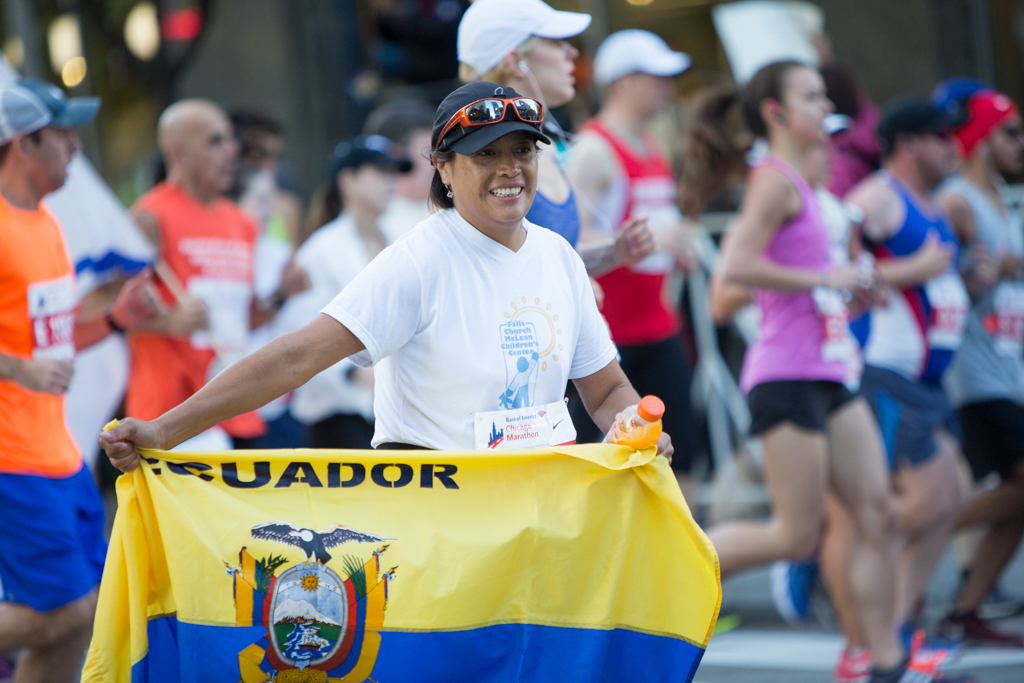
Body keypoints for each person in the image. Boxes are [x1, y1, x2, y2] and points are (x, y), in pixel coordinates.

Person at [100, 81, 672, 467]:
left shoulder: (558, 256)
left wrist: (635, 430)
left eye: (523, 151)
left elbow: (605, 390)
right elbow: (297, 357)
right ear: (443, 169)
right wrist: (164, 431)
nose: (510, 170)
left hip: (544, 509)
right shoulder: (419, 259)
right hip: (443, 527)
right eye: (485, 155)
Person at [711, 61, 972, 683]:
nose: (825, 106)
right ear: (776, 113)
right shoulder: (773, 182)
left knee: (876, 513)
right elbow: (735, 268)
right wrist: (825, 278)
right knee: (795, 536)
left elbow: (820, 281)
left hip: (834, 371)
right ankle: (664, 558)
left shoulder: (812, 189)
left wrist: (852, 289)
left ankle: (886, 663)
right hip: (786, 376)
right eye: (811, 96)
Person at [0, 79, 160, 683]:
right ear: (24, 144)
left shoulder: (44, 223)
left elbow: (52, 343)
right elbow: (28, 361)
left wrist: (117, 319)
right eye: (63, 134)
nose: (76, 146)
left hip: (57, 454)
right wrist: (19, 369)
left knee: (83, 615)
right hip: (12, 458)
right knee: (65, 612)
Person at [836, 98, 969, 658]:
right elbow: (838, 255)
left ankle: (897, 626)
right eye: (942, 137)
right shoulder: (877, 196)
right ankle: (837, 569)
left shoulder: (933, 202)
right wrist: (910, 270)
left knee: (951, 498)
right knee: (923, 501)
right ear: (909, 144)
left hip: (926, 378)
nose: (954, 147)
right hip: (885, 370)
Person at [125, 99, 309, 450]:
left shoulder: (241, 223)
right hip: (174, 419)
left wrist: (281, 295)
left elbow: (242, 321)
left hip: (237, 407)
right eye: (215, 141)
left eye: (230, 140)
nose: (231, 150)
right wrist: (170, 321)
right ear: (178, 154)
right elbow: (105, 310)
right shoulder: (149, 216)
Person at [564, 29, 698, 500]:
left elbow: (656, 228)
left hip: (659, 327)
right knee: (601, 472)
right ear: (624, 82)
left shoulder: (651, 145)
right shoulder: (594, 149)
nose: (668, 89)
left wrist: (675, 246)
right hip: (609, 339)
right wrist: (642, 241)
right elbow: (568, 244)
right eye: (657, 78)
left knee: (680, 460)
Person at [456, 0, 655, 273]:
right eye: (556, 42)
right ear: (516, 62)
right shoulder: (476, 158)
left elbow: (553, 262)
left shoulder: (545, 144)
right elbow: (477, 273)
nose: (572, 52)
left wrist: (614, 252)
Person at [937, 89, 1024, 647]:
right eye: (1009, 132)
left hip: (1008, 370)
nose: (1020, 143)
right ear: (980, 140)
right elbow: (929, 277)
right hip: (974, 376)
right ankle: (895, 533)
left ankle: (966, 609)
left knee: (1018, 496)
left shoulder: (1001, 198)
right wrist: (969, 281)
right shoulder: (957, 201)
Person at [274, 135, 412, 448]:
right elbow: (296, 330)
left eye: (394, 173)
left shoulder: (403, 242)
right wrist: (352, 374)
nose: (391, 182)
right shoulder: (319, 251)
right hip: (339, 418)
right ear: (348, 181)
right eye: (380, 173)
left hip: (394, 415)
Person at [363, 100, 436, 241]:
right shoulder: (373, 224)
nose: (441, 162)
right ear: (397, 155)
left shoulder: (458, 209)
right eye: (430, 153)